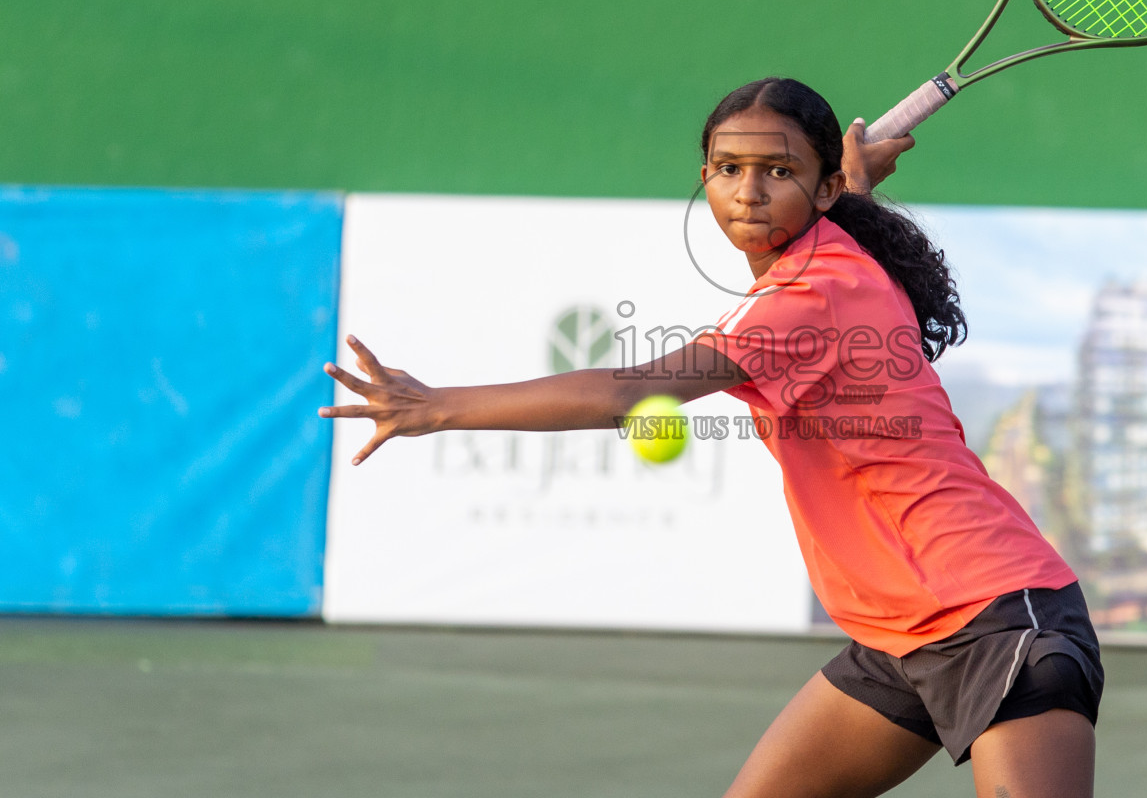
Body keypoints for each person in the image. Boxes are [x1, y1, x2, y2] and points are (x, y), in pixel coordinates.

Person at [320, 77, 1103, 798]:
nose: (749, 192)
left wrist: (436, 407)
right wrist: (846, 179)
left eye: (777, 170)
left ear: (821, 185)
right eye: (729, 168)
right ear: (704, 178)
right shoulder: (841, 243)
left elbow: (628, 391)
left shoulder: (807, 295)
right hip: (900, 632)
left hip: (997, 615)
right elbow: (844, 203)